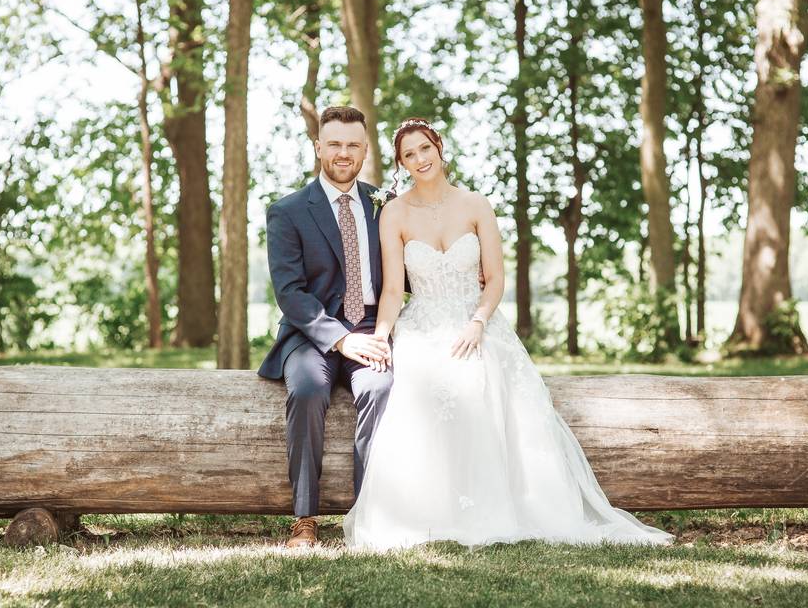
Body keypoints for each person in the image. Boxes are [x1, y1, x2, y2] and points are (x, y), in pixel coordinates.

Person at [343, 118, 675, 550]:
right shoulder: (395, 213)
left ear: (440, 148)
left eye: (425, 149)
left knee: (485, 374)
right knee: (424, 380)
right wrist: (383, 336)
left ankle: (510, 504)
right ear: (401, 164)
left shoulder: (477, 205)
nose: (420, 160)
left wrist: (478, 321)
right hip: (422, 322)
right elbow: (390, 290)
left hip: (476, 320)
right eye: (409, 155)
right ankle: (424, 511)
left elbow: (496, 278)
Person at [259, 106, 393, 548]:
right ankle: (305, 517)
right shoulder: (288, 211)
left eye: (353, 145)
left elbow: (404, 274)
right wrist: (339, 337)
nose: (343, 153)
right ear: (318, 146)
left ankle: (367, 514)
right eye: (334, 143)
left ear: (365, 150)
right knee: (308, 390)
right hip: (311, 334)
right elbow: (290, 291)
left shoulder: (385, 206)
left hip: (373, 328)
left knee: (379, 389)